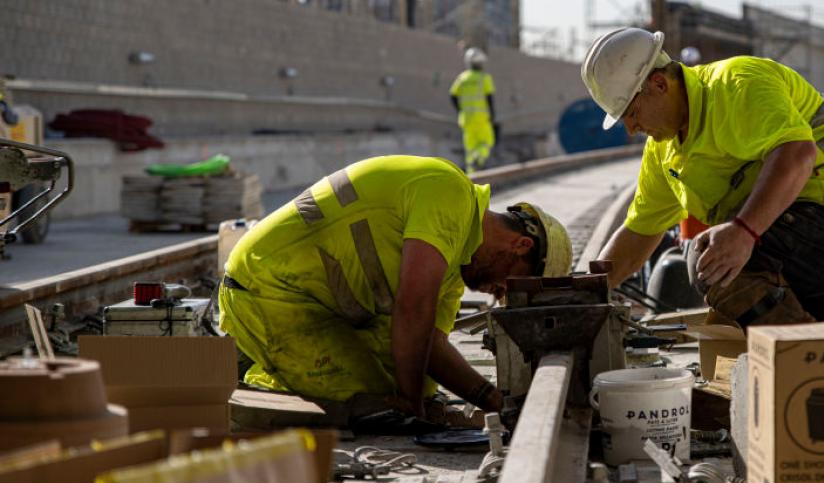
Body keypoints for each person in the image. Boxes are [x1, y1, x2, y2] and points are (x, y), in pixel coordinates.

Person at [580, 28, 824, 327]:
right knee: (805, 362)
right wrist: (586, 291)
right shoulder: (662, 150)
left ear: (660, 85)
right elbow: (639, 232)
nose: (632, 129)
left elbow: (797, 154)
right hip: (800, 234)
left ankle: (806, 353)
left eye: (632, 114)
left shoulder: (735, 84)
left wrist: (743, 232)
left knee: (708, 261)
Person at [218, 155, 571, 414]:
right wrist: (409, 404)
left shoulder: (454, 265)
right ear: (520, 246)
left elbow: (429, 342)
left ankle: (271, 362)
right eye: (508, 286)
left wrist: (492, 400)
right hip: (268, 287)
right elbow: (413, 307)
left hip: (318, 304)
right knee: (376, 402)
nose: (500, 293)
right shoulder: (450, 193)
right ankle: (251, 370)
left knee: (422, 384)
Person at [450, 47, 498, 173]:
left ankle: (472, 175)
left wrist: (460, 110)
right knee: (487, 142)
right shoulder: (484, 78)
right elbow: (489, 99)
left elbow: (453, 95)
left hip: (466, 119)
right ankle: (479, 157)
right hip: (482, 119)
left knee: (470, 148)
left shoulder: (462, 78)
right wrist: (492, 115)